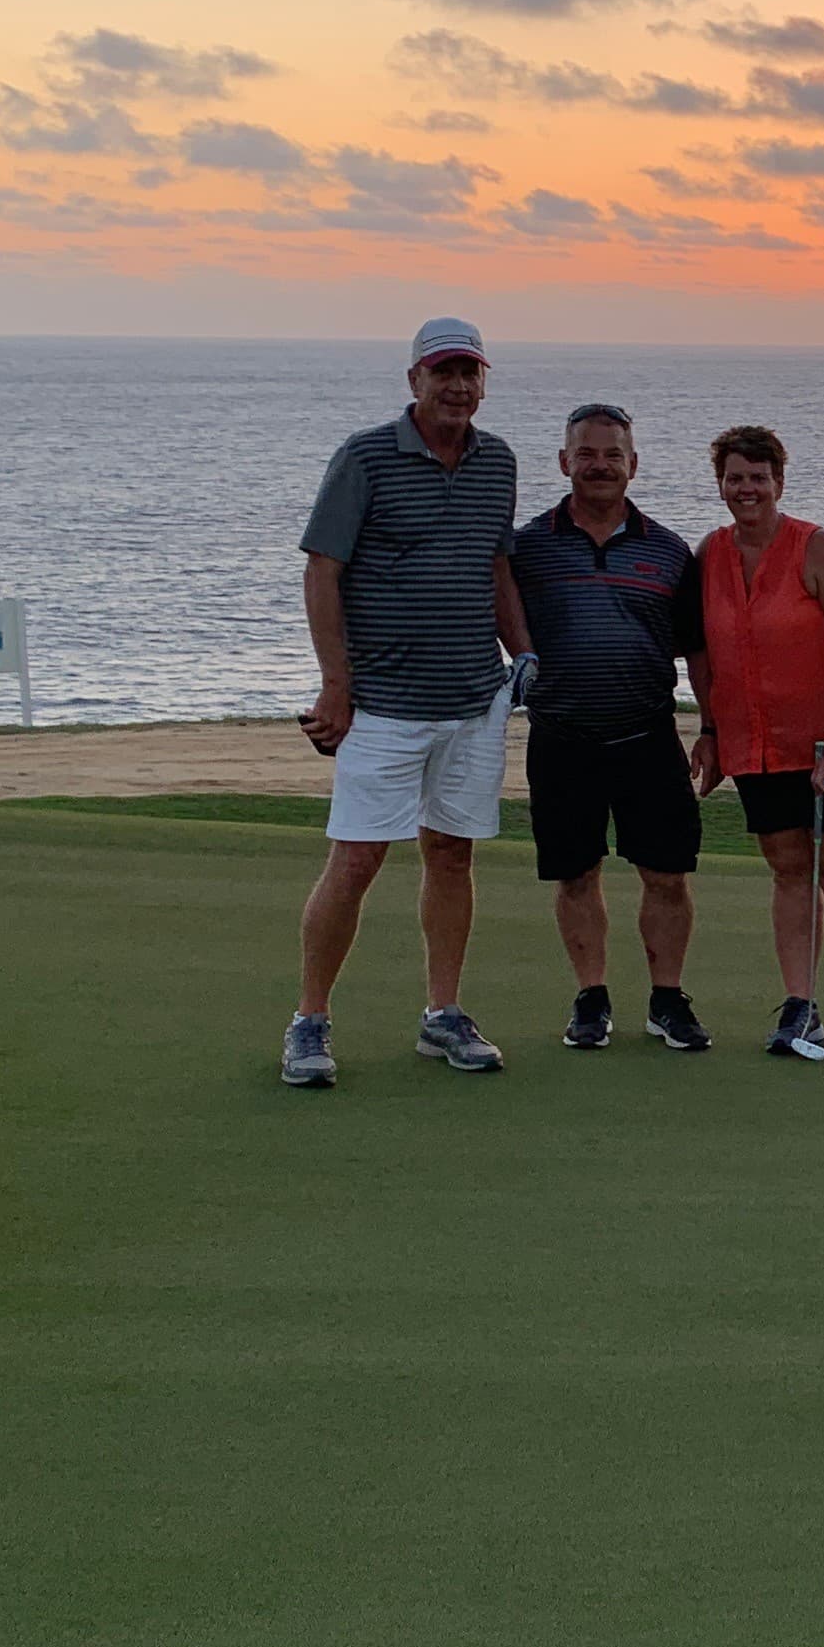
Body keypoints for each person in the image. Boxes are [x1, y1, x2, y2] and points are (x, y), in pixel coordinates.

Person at [285, 316, 529, 1085]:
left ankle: (443, 1015)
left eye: (471, 373)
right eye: (443, 372)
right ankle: (310, 1021)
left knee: (451, 855)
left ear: (483, 380)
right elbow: (322, 570)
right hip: (384, 704)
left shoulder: (498, 462)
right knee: (357, 859)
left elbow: (497, 571)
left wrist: (523, 657)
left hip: (469, 703)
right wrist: (336, 684)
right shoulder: (365, 456)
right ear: (414, 381)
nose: (458, 387)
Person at [506, 402, 713, 1055]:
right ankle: (591, 999)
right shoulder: (527, 547)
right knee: (576, 874)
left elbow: (699, 649)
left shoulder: (670, 551)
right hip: (562, 737)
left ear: (633, 464)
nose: (600, 466)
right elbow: (494, 623)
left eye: (613, 454)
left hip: (647, 736)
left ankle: (666, 999)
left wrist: (711, 727)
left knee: (667, 874)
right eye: (587, 454)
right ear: (565, 462)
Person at [691, 422, 824, 1060]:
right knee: (788, 870)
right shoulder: (710, 555)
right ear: (721, 484)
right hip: (757, 746)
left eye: (758, 477)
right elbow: (704, 654)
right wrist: (712, 732)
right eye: (734, 478)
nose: (746, 488)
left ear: (778, 481)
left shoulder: (815, 548)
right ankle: (800, 1006)